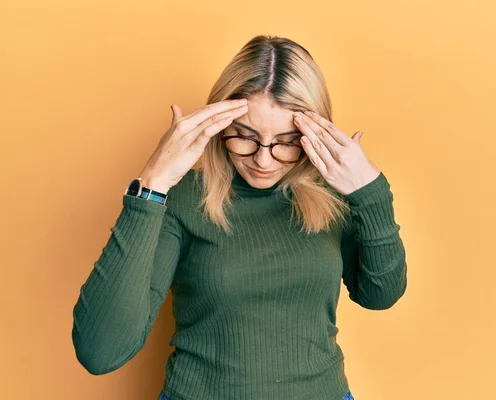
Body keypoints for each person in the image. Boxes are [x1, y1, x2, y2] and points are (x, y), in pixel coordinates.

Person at [71, 34, 408, 400]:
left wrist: (371, 192)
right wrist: (152, 186)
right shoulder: (183, 199)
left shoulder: (333, 195)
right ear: (219, 126)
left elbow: (379, 294)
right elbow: (99, 351)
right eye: (244, 137)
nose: (263, 160)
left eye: (287, 141)